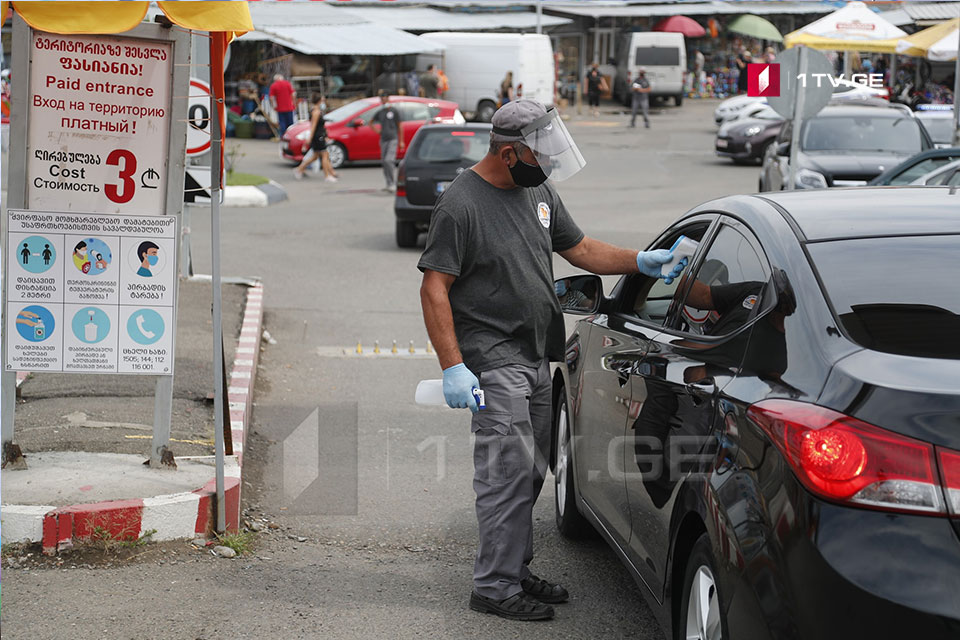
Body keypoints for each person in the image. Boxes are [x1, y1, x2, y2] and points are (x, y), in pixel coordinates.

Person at [417, 99, 687, 622]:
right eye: (540, 155)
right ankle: (494, 586)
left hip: (537, 354)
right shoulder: (461, 203)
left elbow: (580, 249)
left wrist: (641, 260)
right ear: (510, 152)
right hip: (492, 361)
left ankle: (512, 569)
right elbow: (435, 287)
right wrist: (453, 365)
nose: (549, 164)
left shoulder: (536, 188)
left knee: (533, 469)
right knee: (505, 474)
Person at [294, 92, 339, 182]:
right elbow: (313, 125)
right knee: (324, 155)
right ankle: (327, 176)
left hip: (319, 135)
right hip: (318, 136)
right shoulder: (316, 112)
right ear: (319, 101)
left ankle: (299, 169)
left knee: (315, 156)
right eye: (322, 100)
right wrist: (310, 138)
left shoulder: (316, 110)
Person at [371, 91, 404, 191]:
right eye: (382, 98)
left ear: (388, 98)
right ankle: (388, 183)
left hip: (393, 138)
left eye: (385, 97)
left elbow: (400, 126)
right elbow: (370, 122)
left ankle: (393, 183)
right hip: (383, 139)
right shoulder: (380, 112)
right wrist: (377, 131)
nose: (383, 99)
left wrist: (401, 141)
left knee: (389, 160)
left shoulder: (394, 111)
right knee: (384, 162)